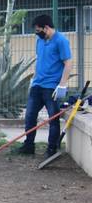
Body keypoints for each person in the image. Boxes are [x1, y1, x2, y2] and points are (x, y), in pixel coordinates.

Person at [14, 14, 72, 159]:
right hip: (37, 85)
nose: (36, 32)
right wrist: (34, 80)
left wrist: (62, 85)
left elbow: (68, 63)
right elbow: (41, 60)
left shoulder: (61, 41)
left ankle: (52, 148)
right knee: (30, 116)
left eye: (38, 30)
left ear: (46, 28)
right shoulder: (39, 41)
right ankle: (29, 146)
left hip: (51, 87)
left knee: (53, 118)